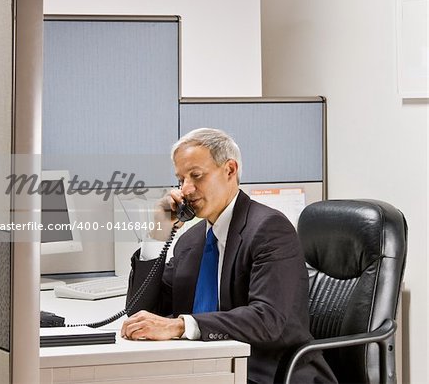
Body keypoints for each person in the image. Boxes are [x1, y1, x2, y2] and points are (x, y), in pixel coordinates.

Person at [121, 128, 337, 384]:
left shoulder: (269, 229)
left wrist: (179, 326)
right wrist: (157, 235)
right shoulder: (191, 241)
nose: (186, 189)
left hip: (265, 372)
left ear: (230, 170)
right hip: (204, 370)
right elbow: (140, 311)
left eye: (196, 176)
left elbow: (267, 319)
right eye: (181, 179)